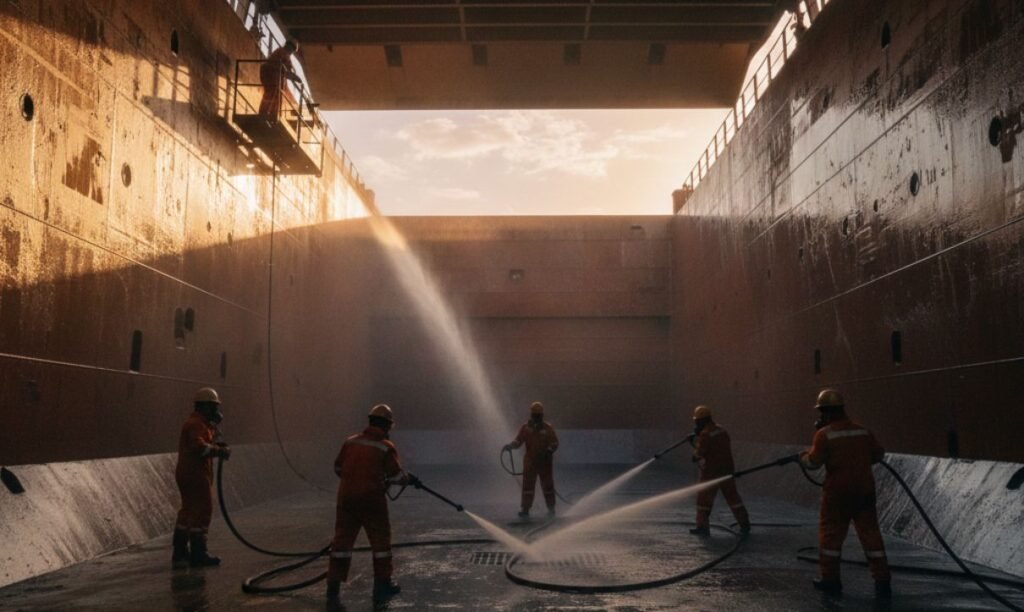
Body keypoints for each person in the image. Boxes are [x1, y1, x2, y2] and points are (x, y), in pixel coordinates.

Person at [800, 389, 891, 598]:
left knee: (831, 537)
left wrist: (802, 458)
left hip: (838, 495)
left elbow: (813, 463)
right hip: (865, 492)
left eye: (821, 413)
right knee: (871, 536)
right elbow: (878, 454)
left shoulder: (824, 435)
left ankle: (830, 580)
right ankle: (882, 581)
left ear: (826, 412)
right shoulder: (862, 431)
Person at [327, 404, 413, 604]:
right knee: (380, 543)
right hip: (372, 501)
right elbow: (396, 476)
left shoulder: (350, 442)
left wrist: (354, 479)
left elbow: (338, 467)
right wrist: (406, 479)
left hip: (346, 499)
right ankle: (382, 585)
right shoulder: (385, 447)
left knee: (341, 543)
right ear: (386, 425)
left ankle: (333, 586)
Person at [172, 387, 231, 569]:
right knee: (203, 511)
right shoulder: (197, 424)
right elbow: (198, 447)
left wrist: (214, 442)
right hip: (196, 474)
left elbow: (201, 444)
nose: (216, 411)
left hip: (187, 473)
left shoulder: (198, 424)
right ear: (206, 407)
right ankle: (199, 553)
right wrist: (218, 451)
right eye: (214, 407)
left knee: (187, 512)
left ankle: (180, 552)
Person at [689, 405, 750, 536]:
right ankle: (745, 524)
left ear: (700, 421)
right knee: (733, 498)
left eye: (697, 421)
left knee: (703, 501)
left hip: (711, 472)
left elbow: (699, 455)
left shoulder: (705, 434)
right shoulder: (722, 430)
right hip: (727, 470)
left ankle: (702, 528)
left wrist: (694, 445)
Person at [504, 401, 559, 518]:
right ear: (531, 415)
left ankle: (551, 509)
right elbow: (518, 440)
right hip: (530, 462)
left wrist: (548, 451)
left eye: (538, 415)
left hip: (545, 463)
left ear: (542, 415)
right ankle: (525, 509)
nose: (537, 417)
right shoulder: (526, 428)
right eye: (535, 415)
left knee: (548, 486)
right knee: (528, 487)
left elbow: (554, 443)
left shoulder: (548, 428)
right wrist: (510, 446)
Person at [258, 40, 301, 118]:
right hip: (271, 74)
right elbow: (286, 71)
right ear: (289, 47)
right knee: (273, 94)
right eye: (292, 49)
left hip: (269, 73)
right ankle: (269, 114)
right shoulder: (283, 53)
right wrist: (295, 78)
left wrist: (293, 76)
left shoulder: (280, 51)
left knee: (272, 94)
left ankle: (268, 113)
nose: (291, 52)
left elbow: (285, 71)